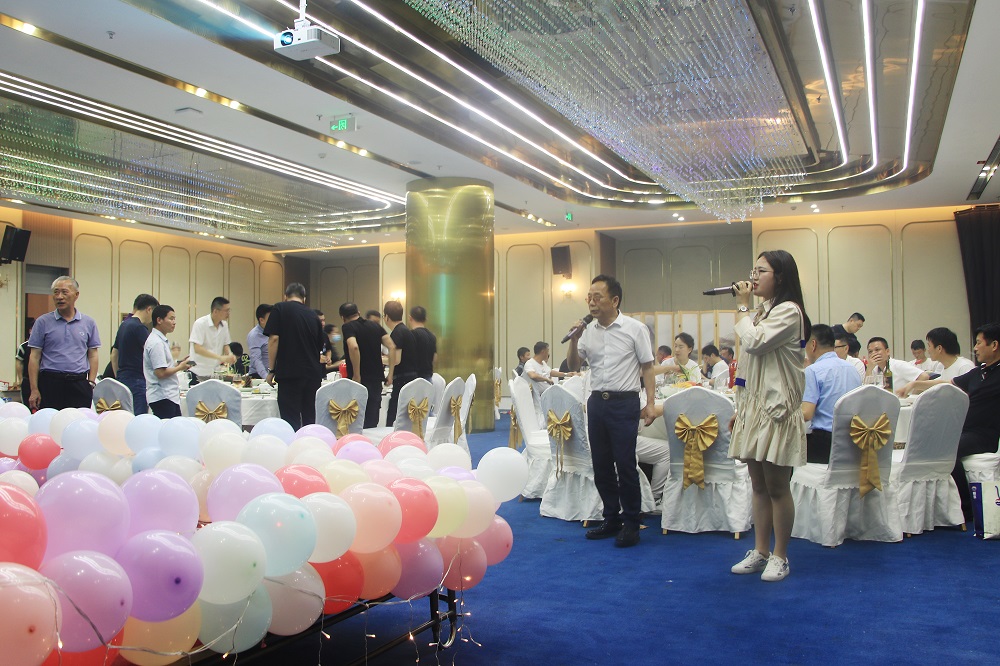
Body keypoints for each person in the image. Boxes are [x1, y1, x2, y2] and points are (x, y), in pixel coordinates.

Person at [728, 250, 810, 583]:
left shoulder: (789, 311)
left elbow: (755, 342)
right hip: (754, 408)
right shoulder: (763, 310)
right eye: (753, 270)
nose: (753, 276)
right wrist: (741, 409)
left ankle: (781, 555)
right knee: (758, 485)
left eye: (761, 271)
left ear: (781, 276)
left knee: (777, 486)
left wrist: (742, 306)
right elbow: (748, 364)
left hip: (776, 409)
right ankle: (760, 550)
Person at [567, 275, 656, 548]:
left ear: (615, 300)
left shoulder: (635, 329)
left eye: (598, 297)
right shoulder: (588, 331)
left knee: (625, 463)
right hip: (597, 402)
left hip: (624, 402)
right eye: (589, 297)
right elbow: (574, 365)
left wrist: (650, 403)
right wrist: (574, 340)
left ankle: (631, 523)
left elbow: (648, 367)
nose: (592, 303)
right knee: (601, 464)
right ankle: (611, 518)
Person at [896, 322, 1000, 522]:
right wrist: (914, 384)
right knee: (931, 442)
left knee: (946, 448)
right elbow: (946, 383)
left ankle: (966, 508)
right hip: (963, 430)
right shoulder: (979, 372)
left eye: (979, 343)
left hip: (984, 435)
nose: (975, 348)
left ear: (994, 345)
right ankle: (933, 507)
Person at [27, 276, 101, 410]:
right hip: (50, 383)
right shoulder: (42, 322)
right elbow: (34, 357)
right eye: (56, 292)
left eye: (64, 292)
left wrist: (90, 382)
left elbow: (93, 354)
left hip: (79, 383)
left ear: (76, 295)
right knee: (51, 420)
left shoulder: (88, 323)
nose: (59, 297)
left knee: (78, 421)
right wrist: (34, 389)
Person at [264, 283, 327, 431]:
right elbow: (319, 346)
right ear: (304, 298)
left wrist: (271, 370)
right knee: (310, 420)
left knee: (290, 421)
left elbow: (274, 339)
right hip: (313, 375)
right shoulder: (313, 315)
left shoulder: (279, 308)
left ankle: (292, 445)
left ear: (285, 296)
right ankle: (309, 443)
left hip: (290, 373)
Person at [801, 324, 862, 464]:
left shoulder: (813, 370)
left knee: (787, 456)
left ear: (813, 345)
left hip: (825, 443)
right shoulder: (852, 369)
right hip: (853, 441)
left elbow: (806, 414)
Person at [341, 302, 395, 428]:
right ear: (359, 313)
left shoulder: (348, 327)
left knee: (357, 421)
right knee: (372, 420)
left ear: (343, 318)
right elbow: (392, 347)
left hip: (359, 381)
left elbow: (354, 347)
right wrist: (391, 374)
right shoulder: (375, 326)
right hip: (376, 380)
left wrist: (356, 374)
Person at [143, 305, 195, 418]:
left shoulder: (160, 340)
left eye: (174, 319)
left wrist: (179, 363)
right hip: (162, 396)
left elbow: (164, 366)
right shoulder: (156, 342)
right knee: (169, 427)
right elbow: (160, 373)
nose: (174, 322)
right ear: (159, 320)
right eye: (171, 319)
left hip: (167, 396)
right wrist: (180, 367)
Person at [111, 293, 159, 414]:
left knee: (124, 416)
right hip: (137, 380)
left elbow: (114, 354)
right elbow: (152, 354)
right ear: (149, 309)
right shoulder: (139, 328)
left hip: (122, 379)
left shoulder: (124, 325)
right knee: (139, 418)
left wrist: (118, 376)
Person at [383, 300, 419, 426]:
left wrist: (379, 359)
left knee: (394, 414)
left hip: (402, 379)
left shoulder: (397, 333)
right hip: (411, 377)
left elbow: (396, 360)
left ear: (386, 317)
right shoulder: (406, 331)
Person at [189, 296, 236, 378]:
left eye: (229, 310)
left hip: (215, 371)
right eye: (226, 310)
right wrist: (220, 358)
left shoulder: (224, 325)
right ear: (215, 311)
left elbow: (225, 344)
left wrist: (230, 354)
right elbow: (197, 348)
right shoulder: (200, 323)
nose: (228, 313)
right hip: (198, 371)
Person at [408, 306, 437, 381]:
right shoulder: (432, 336)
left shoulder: (410, 335)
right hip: (428, 378)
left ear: (410, 318)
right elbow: (434, 358)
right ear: (425, 319)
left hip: (414, 379)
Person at [247, 304, 272, 379]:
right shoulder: (254, 335)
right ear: (261, 320)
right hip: (258, 376)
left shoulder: (274, 331)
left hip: (272, 374)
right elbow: (257, 360)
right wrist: (266, 377)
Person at [13, 317, 34, 405]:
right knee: (27, 404)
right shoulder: (24, 346)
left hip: (43, 380)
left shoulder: (45, 346)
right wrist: (20, 379)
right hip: (27, 380)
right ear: (30, 331)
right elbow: (19, 362)